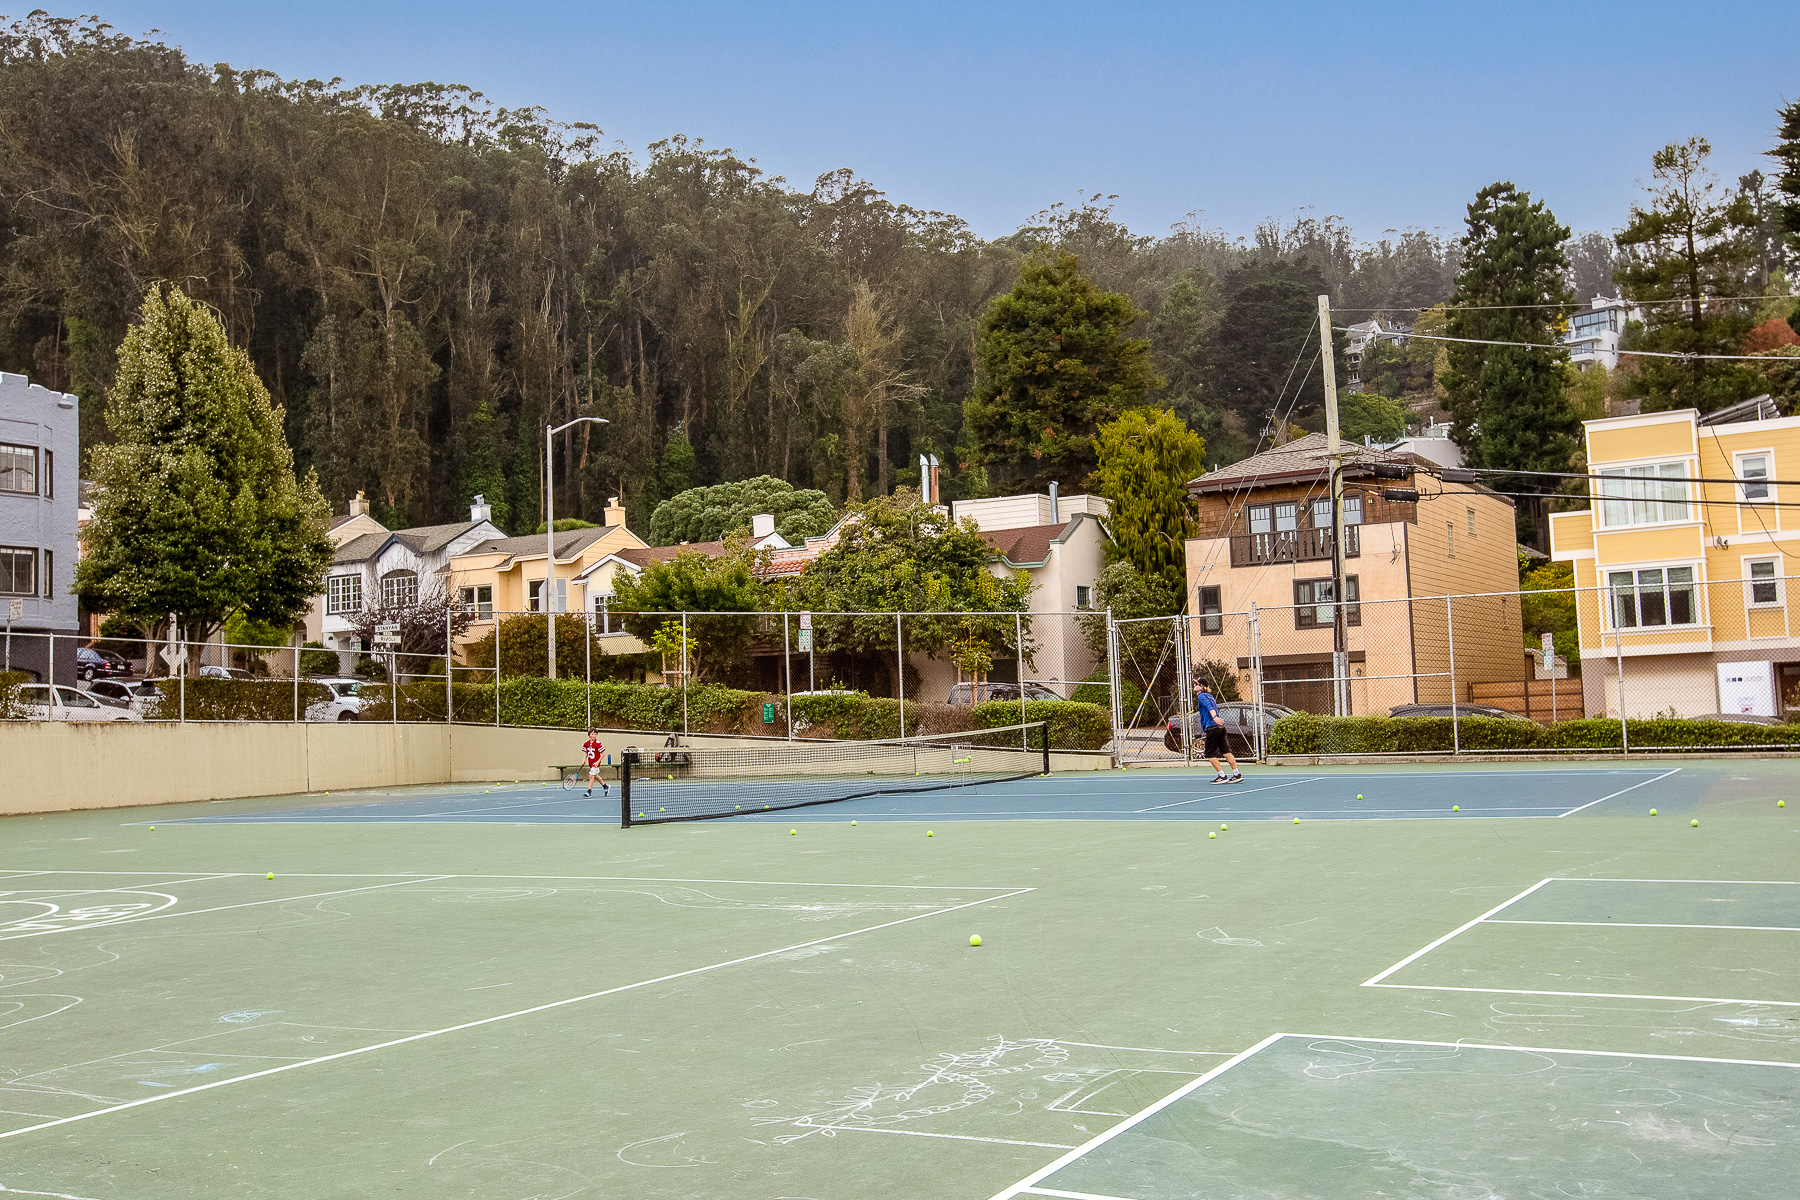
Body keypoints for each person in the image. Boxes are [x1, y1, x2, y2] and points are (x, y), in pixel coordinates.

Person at [1195, 681, 1241, 785]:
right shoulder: (1210, 696)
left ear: (1202, 686)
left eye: (1196, 684)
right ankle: (1237, 774)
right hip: (1220, 727)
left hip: (1212, 728)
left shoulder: (1201, 696)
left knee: (1210, 754)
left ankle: (1222, 776)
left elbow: (1209, 707)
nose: (1194, 685)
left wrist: (1214, 717)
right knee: (1226, 752)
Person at [581, 728, 608, 797]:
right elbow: (586, 753)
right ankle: (605, 786)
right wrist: (583, 760)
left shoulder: (598, 743)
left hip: (596, 763)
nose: (593, 735)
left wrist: (597, 762)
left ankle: (589, 791)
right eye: (592, 734)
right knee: (595, 775)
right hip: (591, 762)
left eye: (595, 734)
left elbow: (603, 754)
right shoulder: (586, 743)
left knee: (591, 775)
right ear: (589, 735)